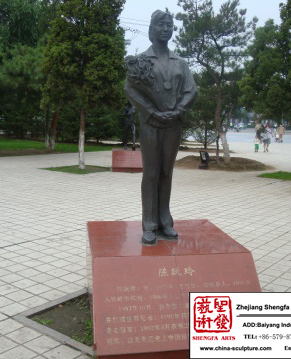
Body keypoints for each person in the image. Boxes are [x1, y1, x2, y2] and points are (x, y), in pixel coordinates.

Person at [125, 10, 197, 246]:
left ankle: (165, 220)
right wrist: (151, 112)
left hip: (173, 124)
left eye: (169, 25)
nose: (166, 28)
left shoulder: (180, 62)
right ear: (152, 29)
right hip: (150, 125)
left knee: (167, 172)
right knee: (152, 172)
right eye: (161, 25)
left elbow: (191, 90)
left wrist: (178, 111)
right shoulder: (142, 61)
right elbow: (130, 90)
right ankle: (149, 223)